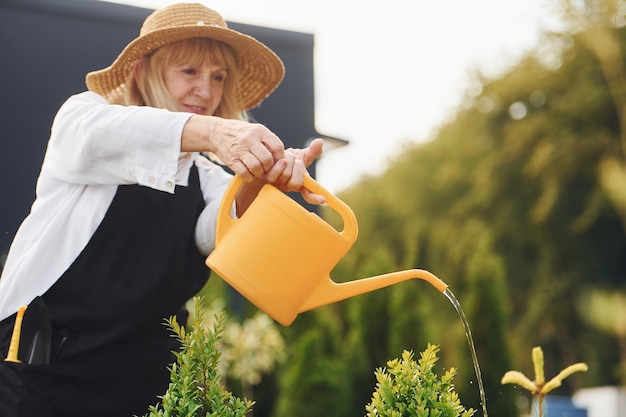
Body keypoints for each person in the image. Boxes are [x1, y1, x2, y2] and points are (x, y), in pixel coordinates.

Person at [0, 3, 324, 416]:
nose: (206, 91)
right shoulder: (84, 118)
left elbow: (220, 234)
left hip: (149, 383)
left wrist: (262, 176)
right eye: (189, 72)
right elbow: (109, 135)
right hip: (44, 371)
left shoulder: (210, 180)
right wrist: (215, 132)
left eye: (218, 77)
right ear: (143, 71)